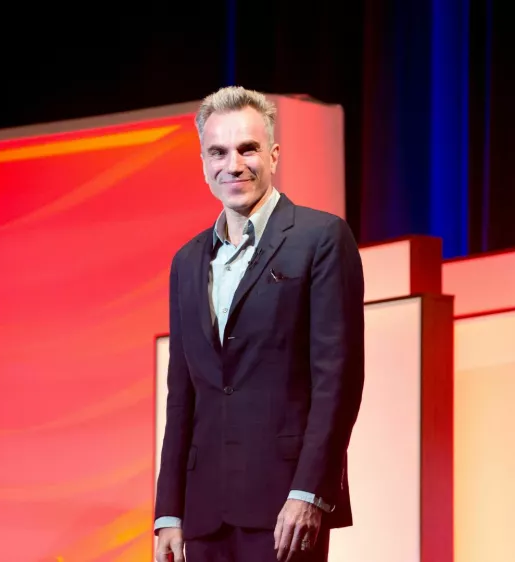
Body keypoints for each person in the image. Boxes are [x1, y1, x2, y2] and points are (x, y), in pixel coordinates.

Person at [153, 86, 365, 562]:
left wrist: (310, 492)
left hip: (285, 508)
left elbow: (338, 379)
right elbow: (182, 394)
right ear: (203, 163)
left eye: (247, 148)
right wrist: (169, 511)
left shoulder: (321, 238)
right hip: (204, 515)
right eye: (218, 152)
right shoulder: (186, 262)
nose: (233, 165)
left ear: (273, 154)